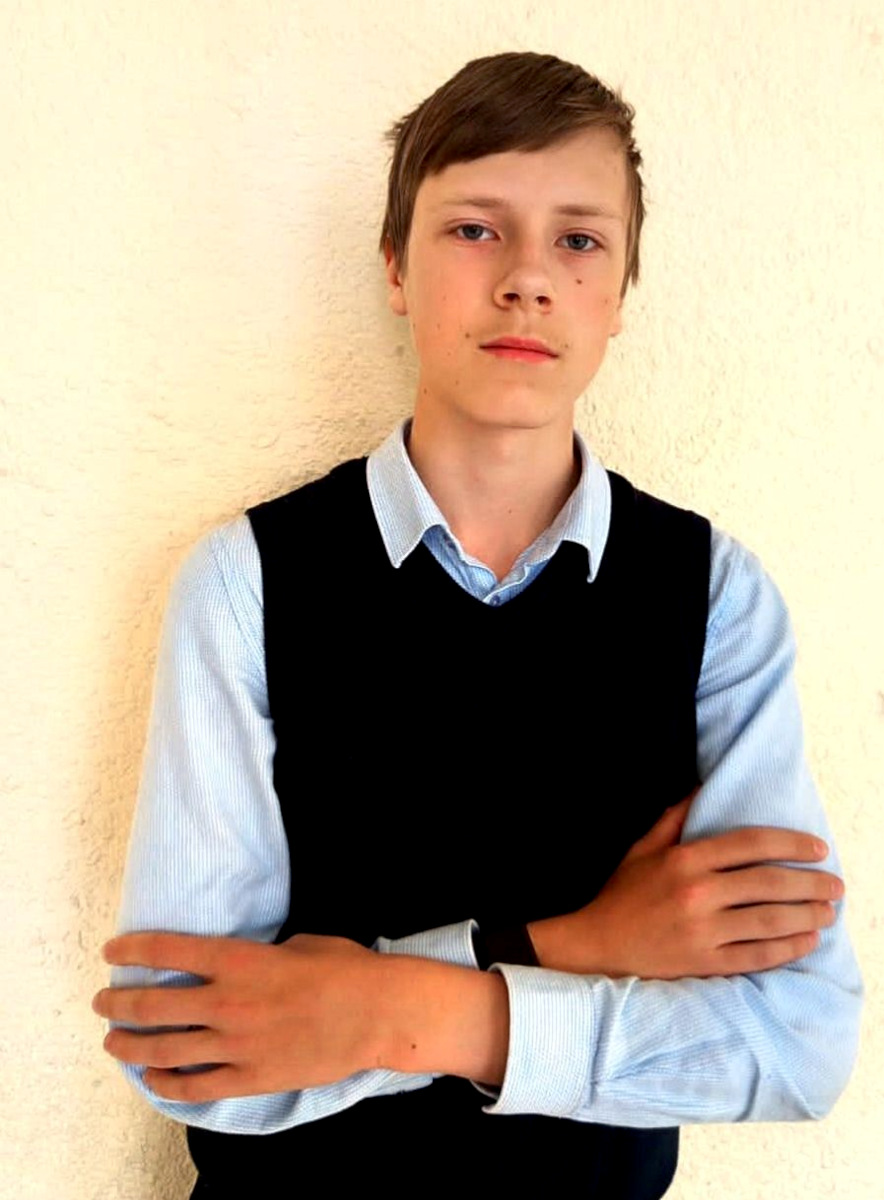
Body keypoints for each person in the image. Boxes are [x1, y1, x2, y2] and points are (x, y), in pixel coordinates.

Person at [94, 51, 862, 1198]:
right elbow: (184, 1046)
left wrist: (388, 1009)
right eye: (472, 229)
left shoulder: (713, 597)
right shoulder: (246, 581)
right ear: (394, 266)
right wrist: (572, 949)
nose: (526, 279)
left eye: (578, 239)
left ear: (618, 292)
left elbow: (792, 1045)